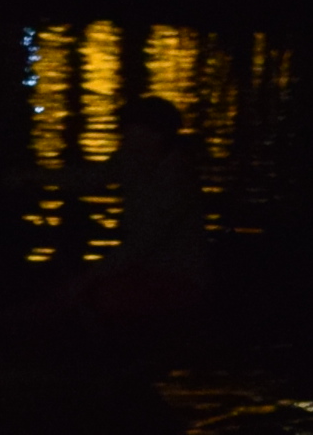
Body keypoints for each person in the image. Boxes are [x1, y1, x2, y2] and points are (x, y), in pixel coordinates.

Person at [74, 95, 211, 327]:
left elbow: (143, 243)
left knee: (99, 296)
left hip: (178, 276)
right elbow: (89, 178)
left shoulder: (175, 179)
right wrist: (33, 177)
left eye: (129, 129)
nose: (122, 135)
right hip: (143, 267)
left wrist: (87, 279)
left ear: (155, 135)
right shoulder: (131, 159)